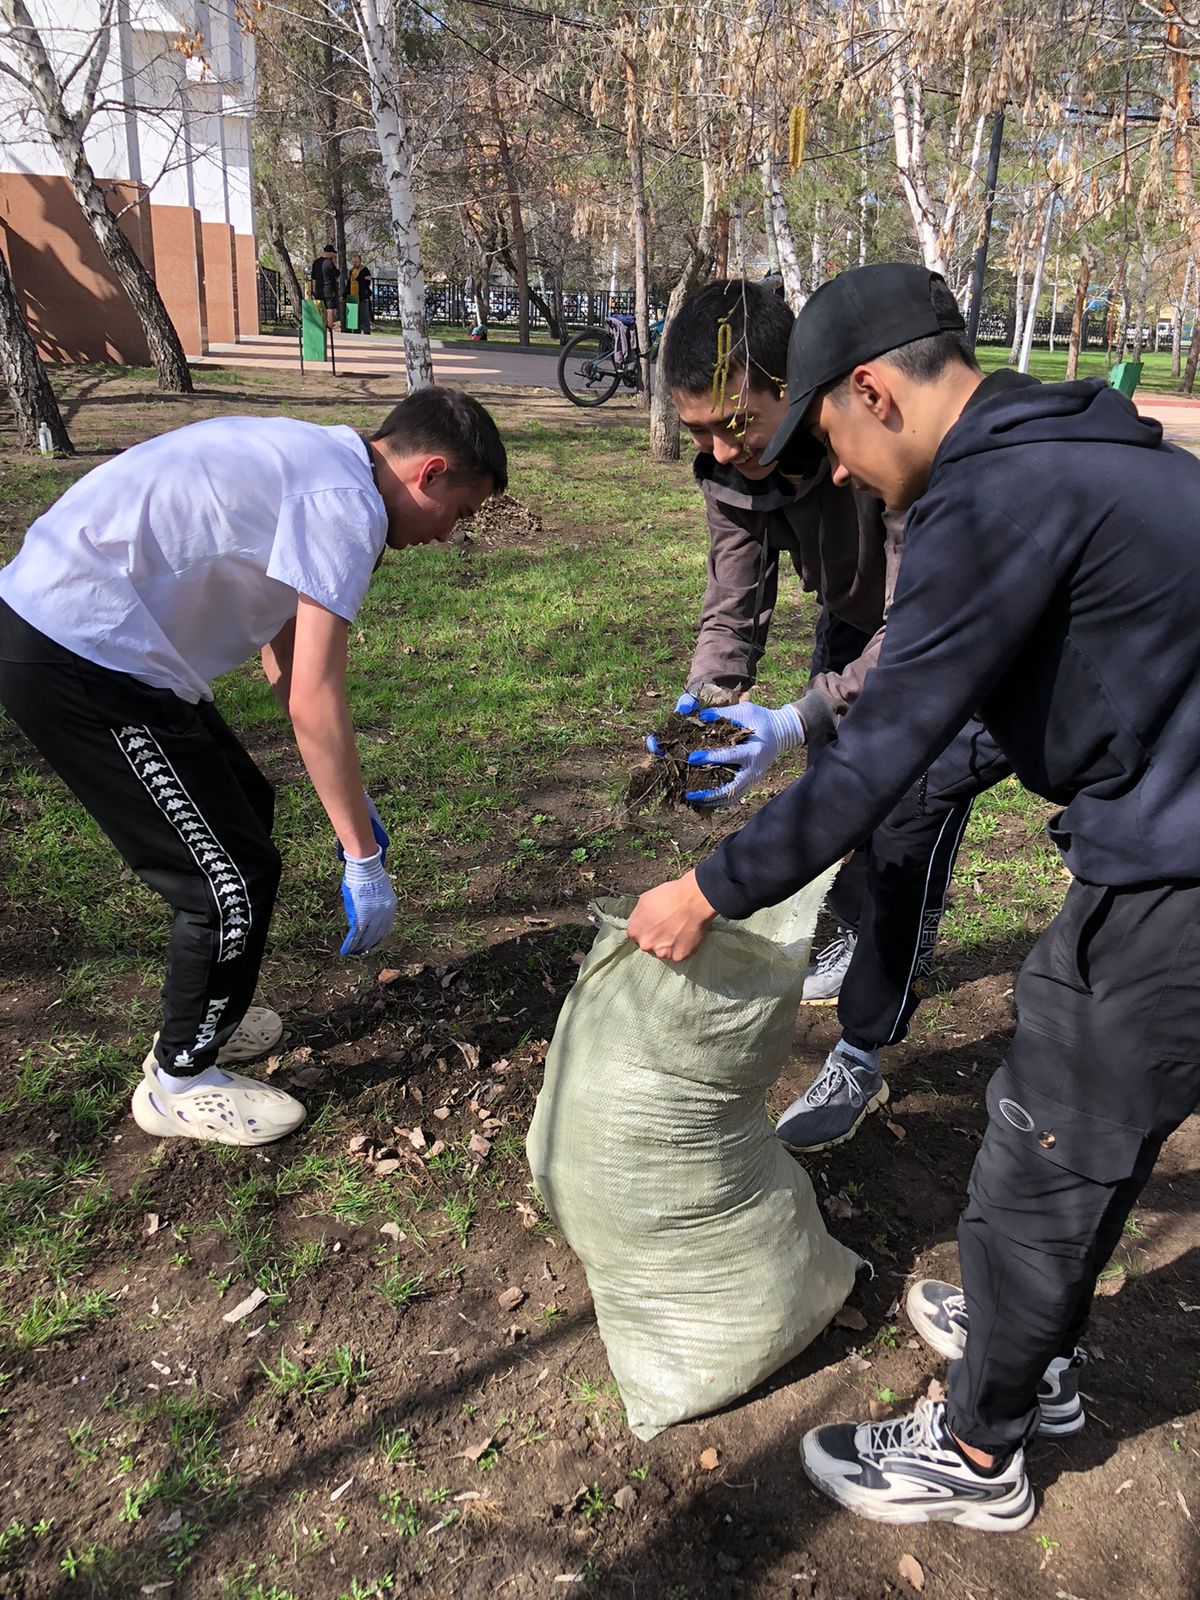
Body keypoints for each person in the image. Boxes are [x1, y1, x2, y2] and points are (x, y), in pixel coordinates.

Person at [627, 262, 1200, 1529]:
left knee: (1049, 1139)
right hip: (1164, 816)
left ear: (871, 392)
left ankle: (979, 1447)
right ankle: (1029, 1344)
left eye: (824, 432)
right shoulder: (1067, 444)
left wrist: (708, 888)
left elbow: (884, 751)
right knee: (1088, 1125)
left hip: (1179, 860)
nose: (826, 470)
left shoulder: (990, 500)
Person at [0, 387, 506, 1150]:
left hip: (111, 647)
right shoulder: (349, 504)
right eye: (462, 515)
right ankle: (179, 1082)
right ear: (430, 472)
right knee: (226, 878)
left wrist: (351, 802)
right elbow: (316, 694)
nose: (450, 535)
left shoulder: (326, 460)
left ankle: (213, 1016)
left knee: (243, 805)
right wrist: (362, 857)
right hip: (78, 650)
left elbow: (288, 651)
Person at [655, 278, 1010, 1154]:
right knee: (838, 794)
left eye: (731, 424)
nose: (714, 448)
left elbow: (918, 632)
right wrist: (713, 703)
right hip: (856, 620)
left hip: (945, 628)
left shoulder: (884, 445)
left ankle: (862, 1048)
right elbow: (732, 605)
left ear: (798, 384)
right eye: (694, 426)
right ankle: (843, 921)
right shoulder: (730, 468)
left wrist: (803, 714)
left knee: (904, 837)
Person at [310, 244, 340, 329]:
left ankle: (319, 326)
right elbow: (337, 273)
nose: (333, 256)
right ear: (329, 253)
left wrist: (314, 289)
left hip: (319, 290)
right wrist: (333, 263)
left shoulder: (316, 262)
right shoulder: (329, 263)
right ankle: (329, 328)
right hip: (329, 290)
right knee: (329, 310)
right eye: (332, 254)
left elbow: (313, 277)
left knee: (319, 308)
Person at [345, 253, 372, 335]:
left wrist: (358, 278)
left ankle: (367, 331)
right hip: (353, 297)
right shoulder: (351, 271)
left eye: (356, 262)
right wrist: (344, 295)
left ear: (360, 261)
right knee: (355, 316)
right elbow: (349, 284)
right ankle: (356, 331)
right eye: (353, 262)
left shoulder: (365, 270)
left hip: (362, 296)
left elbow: (367, 282)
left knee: (364, 315)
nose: (355, 264)